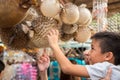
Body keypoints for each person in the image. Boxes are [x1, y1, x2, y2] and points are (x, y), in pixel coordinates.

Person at [46, 29, 120, 80]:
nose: (88, 52)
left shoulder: (106, 68)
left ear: (108, 56)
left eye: (92, 48)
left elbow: (67, 68)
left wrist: (54, 45)